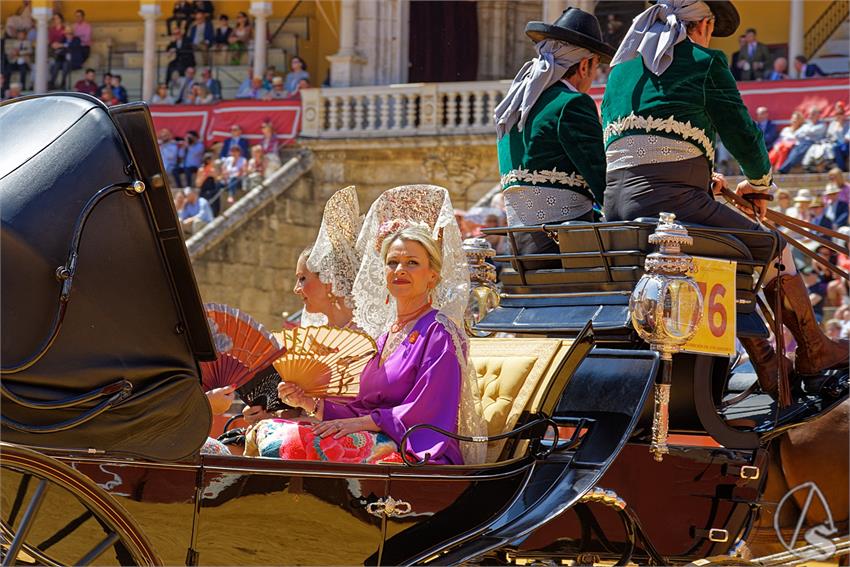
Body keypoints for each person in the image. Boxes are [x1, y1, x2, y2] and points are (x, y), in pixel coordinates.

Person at [601, 0, 846, 398]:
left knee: (732, 248)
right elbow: (742, 132)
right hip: (673, 207)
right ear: (705, 24)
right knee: (773, 247)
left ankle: (768, 359)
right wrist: (759, 184)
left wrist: (699, 177)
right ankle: (811, 351)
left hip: (619, 208)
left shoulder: (621, 71)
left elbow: (639, 148)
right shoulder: (704, 61)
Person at [253, 186, 485, 465]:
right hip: (378, 437)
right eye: (392, 262)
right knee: (273, 429)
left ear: (432, 276)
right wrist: (308, 403)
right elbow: (361, 407)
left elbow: (426, 411)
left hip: (417, 450)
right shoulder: (384, 337)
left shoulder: (440, 332)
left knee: (298, 443)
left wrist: (365, 423)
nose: (400, 270)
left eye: (412, 263)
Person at [494, 7, 614, 263]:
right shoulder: (572, 103)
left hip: (519, 248)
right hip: (564, 247)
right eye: (596, 67)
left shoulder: (513, 108)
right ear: (584, 65)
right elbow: (602, 179)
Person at [242, 186, 363, 425]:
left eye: (303, 279)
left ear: (329, 282)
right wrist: (268, 415)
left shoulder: (365, 336)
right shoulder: (312, 337)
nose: (296, 289)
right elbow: (297, 411)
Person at [777, 107, 827, 173]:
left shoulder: (822, 125)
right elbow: (797, 134)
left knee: (799, 152)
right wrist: (807, 132)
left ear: (818, 115)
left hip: (813, 143)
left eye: (812, 114)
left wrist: (805, 132)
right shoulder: (806, 125)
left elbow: (812, 131)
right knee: (793, 151)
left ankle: (783, 169)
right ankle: (782, 168)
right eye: (810, 114)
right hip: (801, 143)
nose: (810, 116)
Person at [49, 25, 84, 90]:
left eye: (70, 33)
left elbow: (72, 46)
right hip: (63, 61)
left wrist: (61, 45)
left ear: (73, 34)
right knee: (56, 64)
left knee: (65, 64)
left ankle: (63, 83)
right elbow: (60, 49)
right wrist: (57, 47)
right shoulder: (63, 39)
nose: (68, 35)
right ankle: (52, 83)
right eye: (67, 33)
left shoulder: (77, 39)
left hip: (74, 62)